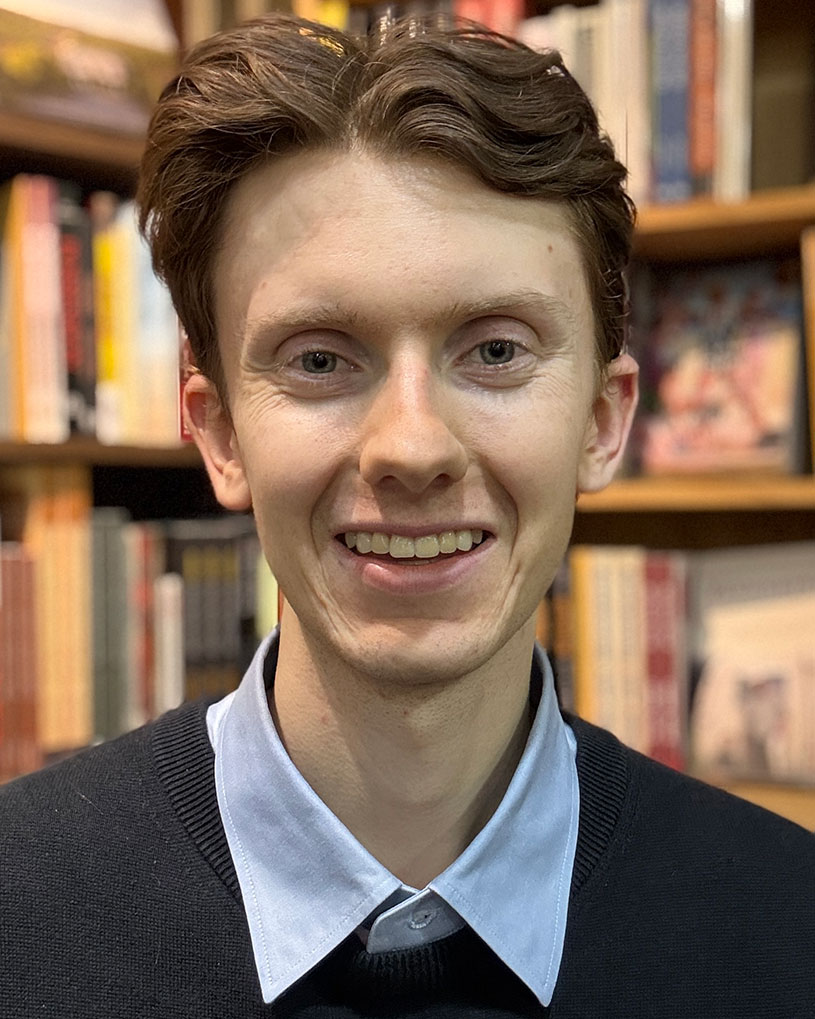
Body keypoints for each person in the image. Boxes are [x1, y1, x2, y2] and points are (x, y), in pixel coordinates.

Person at [2, 13, 813, 1019]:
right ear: (218, 435)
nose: (412, 446)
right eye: (319, 359)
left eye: (495, 351)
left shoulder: (791, 925)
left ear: (602, 423)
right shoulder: (18, 908)